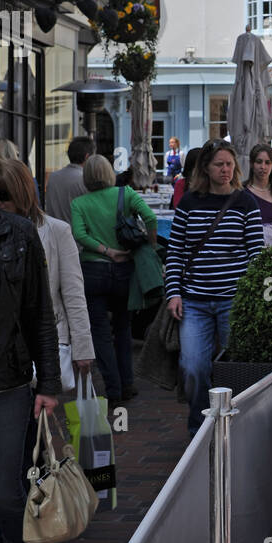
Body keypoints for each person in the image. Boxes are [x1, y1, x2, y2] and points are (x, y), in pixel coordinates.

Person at [0, 161, 61, 543]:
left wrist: (49, 382)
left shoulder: (16, 234)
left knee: (3, 487)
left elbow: (39, 314)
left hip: (7, 380)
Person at [164, 140, 265, 437]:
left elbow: (256, 252)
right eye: (219, 164)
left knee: (235, 366)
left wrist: (254, 295)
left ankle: (235, 426)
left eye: (229, 164)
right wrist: (173, 292)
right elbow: (175, 252)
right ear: (205, 168)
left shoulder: (246, 202)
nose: (225, 169)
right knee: (193, 367)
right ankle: (201, 427)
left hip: (233, 300)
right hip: (194, 301)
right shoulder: (189, 203)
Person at [0, 161, 93, 387]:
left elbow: (73, 293)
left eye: (3, 195)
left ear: (20, 194)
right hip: (5, 347)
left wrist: (83, 348)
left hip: (46, 340)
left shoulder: (57, 231)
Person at [71, 155, 157, 405]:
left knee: (99, 331)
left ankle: (113, 388)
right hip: (124, 271)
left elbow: (78, 234)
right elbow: (150, 218)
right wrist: (148, 247)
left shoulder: (79, 203)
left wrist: (105, 251)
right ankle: (127, 382)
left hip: (93, 271)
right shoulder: (126, 194)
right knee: (123, 329)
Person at [45, 135, 94, 225]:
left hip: (53, 234)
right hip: (77, 237)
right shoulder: (86, 180)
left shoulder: (53, 177)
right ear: (87, 157)